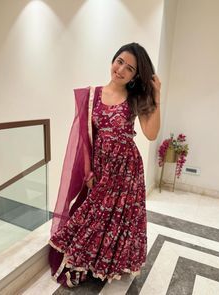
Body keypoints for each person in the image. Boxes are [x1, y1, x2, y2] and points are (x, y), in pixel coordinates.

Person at [49, 42, 161, 287]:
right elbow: (86, 137)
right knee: (94, 216)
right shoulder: (92, 95)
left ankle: (107, 264)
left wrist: (156, 97)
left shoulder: (135, 98)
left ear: (135, 75)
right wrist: (88, 170)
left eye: (129, 68)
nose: (121, 69)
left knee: (120, 219)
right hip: (102, 169)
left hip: (128, 170)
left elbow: (151, 134)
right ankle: (82, 260)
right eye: (119, 61)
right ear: (113, 60)